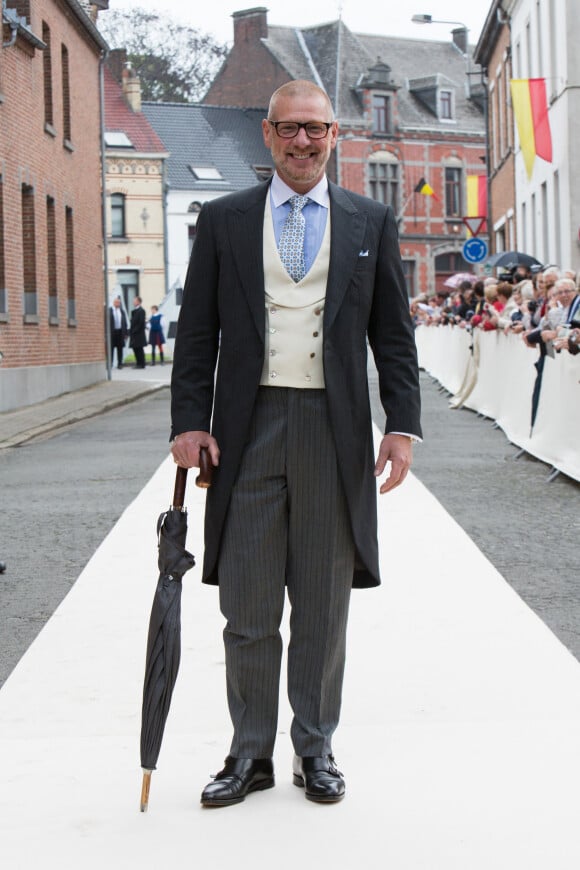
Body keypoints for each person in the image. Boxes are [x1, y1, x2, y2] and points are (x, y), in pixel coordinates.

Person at [170, 79, 422, 809]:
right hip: (247, 432)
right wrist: (190, 421)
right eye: (290, 130)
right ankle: (249, 754)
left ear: (334, 135)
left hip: (332, 431)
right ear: (268, 135)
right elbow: (197, 336)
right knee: (247, 605)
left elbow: (393, 337)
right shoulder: (222, 221)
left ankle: (315, 745)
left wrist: (400, 425)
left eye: (317, 129)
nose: (304, 142)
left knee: (321, 605)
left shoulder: (370, 220)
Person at [109, 296, 128, 369]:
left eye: (119, 303)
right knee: (111, 348)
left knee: (120, 349)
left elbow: (125, 322)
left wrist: (126, 333)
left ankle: (119, 363)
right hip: (112, 332)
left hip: (120, 332)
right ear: (114, 303)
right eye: (117, 302)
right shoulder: (110, 310)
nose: (118, 304)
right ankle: (110, 363)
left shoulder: (122, 311)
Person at [129, 296, 146, 369]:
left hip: (138, 334)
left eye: (135, 301)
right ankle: (138, 363)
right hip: (134, 333)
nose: (133, 302)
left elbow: (141, 322)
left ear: (139, 302)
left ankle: (141, 364)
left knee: (139, 349)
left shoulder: (141, 311)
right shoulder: (134, 311)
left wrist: (135, 330)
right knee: (135, 348)